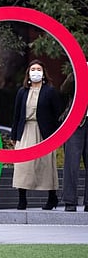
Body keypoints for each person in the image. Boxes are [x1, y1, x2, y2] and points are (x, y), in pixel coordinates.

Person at [11, 59, 62, 210]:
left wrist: (56, 136)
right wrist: (14, 135)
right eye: (33, 69)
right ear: (28, 73)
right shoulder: (22, 92)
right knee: (22, 165)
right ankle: (22, 199)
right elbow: (16, 115)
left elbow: (57, 115)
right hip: (25, 130)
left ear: (43, 72)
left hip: (44, 133)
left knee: (46, 165)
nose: (35, 72)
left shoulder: (50, 91)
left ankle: (52, 198)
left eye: (38, 69)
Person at [60, 70, 88, 212]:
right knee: (71, 163)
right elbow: (64, 88)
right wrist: (77, 72)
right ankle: (70, 201)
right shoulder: (78, 72)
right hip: (76, 122)